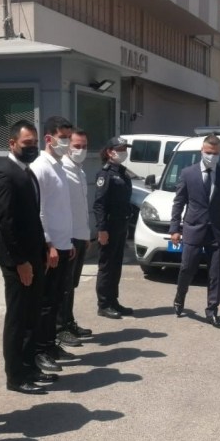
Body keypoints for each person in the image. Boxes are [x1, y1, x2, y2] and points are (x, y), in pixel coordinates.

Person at [0, 120, 55, 395]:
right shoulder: (4, 175)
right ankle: (15, 376)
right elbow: (6, 222)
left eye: (35, 143)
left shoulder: (27, 173)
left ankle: (29, 367)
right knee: (18, 319)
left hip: (34, 257)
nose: (32, 148)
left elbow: (33, 218)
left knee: (31, 316)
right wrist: (21, 261)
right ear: (12, 143)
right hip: (18, 262)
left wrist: (43, 250)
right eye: (27, 143)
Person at [170, 135, 220, 328]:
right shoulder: (188, 173)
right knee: (187, 268)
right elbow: (179, 202)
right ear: (201, 151)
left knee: (215, 274)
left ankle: (211, 311)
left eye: (215, 153)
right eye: (208, 152)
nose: (211, 156)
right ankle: (180, 297)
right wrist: (175, 229)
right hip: (193, 229)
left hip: (216, 231)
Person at [29, 116, 77, 372]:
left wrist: (67, 242)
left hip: (63, 244)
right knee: (45, 304)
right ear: (48, 138)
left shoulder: (59, 165)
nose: (67, 142)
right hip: (51, 249)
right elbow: (40, 211)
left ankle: (51, 344)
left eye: (69, 137)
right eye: (63, 138)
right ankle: (40, 350)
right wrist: (49, 245)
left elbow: (62, 209)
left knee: (57, 300)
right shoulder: (40, 167)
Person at [56, 127, 94, 345]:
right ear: (68, 147)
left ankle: (69, 322)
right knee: (63, 286)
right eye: (77, 146)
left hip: (80, 236)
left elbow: (81, 208)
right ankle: (60, 327)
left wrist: (86, 235)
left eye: (84, 146)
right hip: (67, 238)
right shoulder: (62, 170)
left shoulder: (80, 171)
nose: (81, 150)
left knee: (71, 285)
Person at [94, 137, 135, 319]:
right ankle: (103, 304)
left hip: (121, 225)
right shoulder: (105, 174)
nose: (123, 152)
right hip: (109, 227)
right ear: (110, 152)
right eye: (120, 149)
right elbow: (99, 204)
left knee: (116, 265)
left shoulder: (123, 173)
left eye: (125, 149)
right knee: (106, 266)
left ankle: (113, 300)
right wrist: (102, 229)